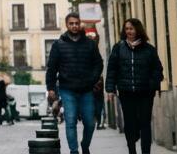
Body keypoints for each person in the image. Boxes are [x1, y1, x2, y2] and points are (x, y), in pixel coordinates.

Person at [47, 13, 105, 154]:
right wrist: (51, 88)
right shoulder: (58, 45)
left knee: (90, 123)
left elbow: (99, 64)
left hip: (87, 90)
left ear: (80, 25)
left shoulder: (90, 44)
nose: (74, 26)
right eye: (71, 23)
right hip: (67, 89)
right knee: (70, 121)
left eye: (76, 23)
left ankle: (85, 145)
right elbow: (52, 68)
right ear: (66, 25)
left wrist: (92, 79)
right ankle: (74, 151)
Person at [105, 18, 163, 154]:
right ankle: (132, 151)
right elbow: (112, 68)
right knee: (130, 125)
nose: (129, 31)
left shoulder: (149, 49)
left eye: (131, 28)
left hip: (145, 93)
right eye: (126, 29)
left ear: (138, 30)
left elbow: (158, 70)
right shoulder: (118, 48)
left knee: (145, 124)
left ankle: (146, 152)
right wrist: (110, 88)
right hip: (126, 92)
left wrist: (152, 84)